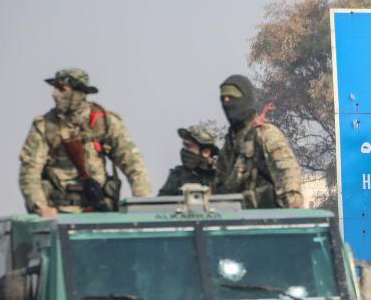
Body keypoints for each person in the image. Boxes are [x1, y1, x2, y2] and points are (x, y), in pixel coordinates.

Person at [19, 68, 151, 216]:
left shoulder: (105, 122)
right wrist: (40, 207)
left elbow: (133, 163)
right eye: (55, 89)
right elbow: (30, 172)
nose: (55, 94)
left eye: (62, 89)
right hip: (61, 214)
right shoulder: (45, 126)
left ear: (78, 92)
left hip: (101, 212)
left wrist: (143, 203)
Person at [215, 75, 303, 208]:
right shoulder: (231, 141)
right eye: (223, 99)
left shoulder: (265, 134)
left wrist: (293, 219)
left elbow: (289, 179)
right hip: (236, 221)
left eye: (232, 98)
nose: (227, 103)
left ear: (245, 98)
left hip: (266, 223)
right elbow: (219, 183)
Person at [158, 124, 220, 196]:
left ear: (206, 152)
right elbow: (160, 203)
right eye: (184, 145)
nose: (184, 150)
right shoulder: (178, 174)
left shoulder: (218, 177)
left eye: (188, 146)